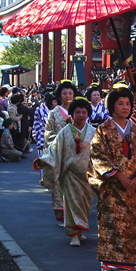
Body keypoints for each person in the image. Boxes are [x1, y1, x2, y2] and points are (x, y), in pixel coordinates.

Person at [88, 86, 136, 271]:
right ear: (112, 106)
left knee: (130, 227)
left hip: (133, 188)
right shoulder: (103, 130)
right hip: (112, 187)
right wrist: (118, 176)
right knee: (110, 225)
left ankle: (125, 269)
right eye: (120, 103)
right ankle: (107, 264)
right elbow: (98, 156)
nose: (125, 107)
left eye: (128, 103)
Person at [34, 97, 96, 247]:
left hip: (88, 174)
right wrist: (44, 160)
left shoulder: (94, 132)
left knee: (85, 205)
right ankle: (73, 235)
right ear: (72, 114)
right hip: (70, 174)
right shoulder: (64, 132)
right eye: (77, 112)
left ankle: (80, 232)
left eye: (84, 112)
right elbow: (54, 150)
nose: (81, 115)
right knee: (71, 204)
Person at [44, 80, 80, 225]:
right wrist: (61, 139)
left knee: (75, 185)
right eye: (64, 93)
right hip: (60, 152)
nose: (67, 96)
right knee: (59, 184)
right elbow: (48, 134)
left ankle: (75, 216)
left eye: (70, 93)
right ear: (59, 95)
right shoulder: (53, 114)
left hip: (76, 153)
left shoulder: (79, 112)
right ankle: (61, 215)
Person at [32, 92, 56, 160]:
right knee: (43, 158)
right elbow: (36, 123)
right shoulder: (39, 109)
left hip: (55, 137)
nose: (56, 104)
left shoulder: (57, 110)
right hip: (42, 134)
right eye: (54, 102)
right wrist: (36, 135)